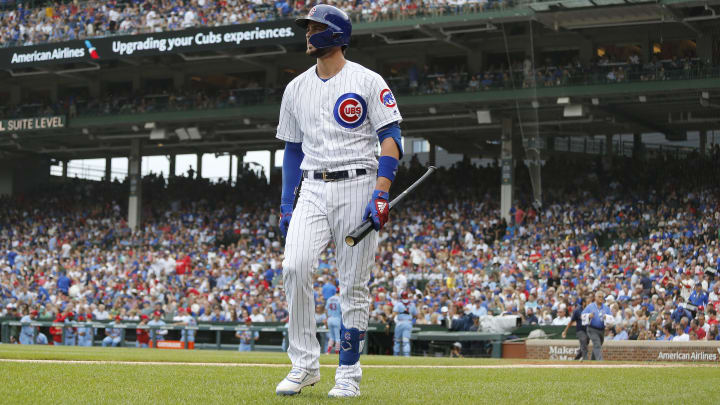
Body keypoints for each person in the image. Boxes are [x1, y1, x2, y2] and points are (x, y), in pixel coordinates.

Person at [275, 4, 403, 398]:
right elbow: (293, 151)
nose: (308, 33)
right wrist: (285, 204)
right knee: (294, 266)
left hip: (358, 183)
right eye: (308, 27)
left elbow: (391, 138)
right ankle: (304, 365)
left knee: (353, 284)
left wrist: (381, 192)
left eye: (314, 27)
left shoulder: (367, 80)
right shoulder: (295, 88)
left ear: (335, 34)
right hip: (312, 187)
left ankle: (347, 374)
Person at [583, 292, 612, 361]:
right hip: (592, 329)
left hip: (602, 330)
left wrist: (607, 318)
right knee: (597, 343)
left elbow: (611, 318)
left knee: (598, 345)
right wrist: (588, 316)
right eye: (599, 296)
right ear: (595, 298)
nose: (601, 298)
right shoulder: (590, 306)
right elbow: (582, 315)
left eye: (602, 297)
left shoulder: (606, 308)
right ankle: (600, 361)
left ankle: (593, 362)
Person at [562, 294, 589, 361]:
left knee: (584, 344)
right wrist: (565, 331)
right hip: (580, 330)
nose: (590, 303)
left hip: (588, 330)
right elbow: (571, 322)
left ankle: (576, 358)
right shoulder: (577, 310)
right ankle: (586, 360)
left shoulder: (589, 310)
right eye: (588, 302)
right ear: (584, 303)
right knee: (584, 342)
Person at [392, 291, 416, 356]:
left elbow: (394, 314)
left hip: (400, 322)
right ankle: (407, 356)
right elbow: (415, 315)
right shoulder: (412, 304)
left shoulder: (398, 303)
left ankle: (395, 356)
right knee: (406, 341)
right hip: (408, 322)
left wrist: (389, 321)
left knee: (397, 341)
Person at [325, 290, 342, 354]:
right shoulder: (340, 299)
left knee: (331, 337)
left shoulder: (329, 298)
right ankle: (337, 352)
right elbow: (342, 311)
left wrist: (327, 318)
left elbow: (326, 310)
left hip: (330, 319)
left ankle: (328, 352)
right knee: (338, 337)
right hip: (337, 319)